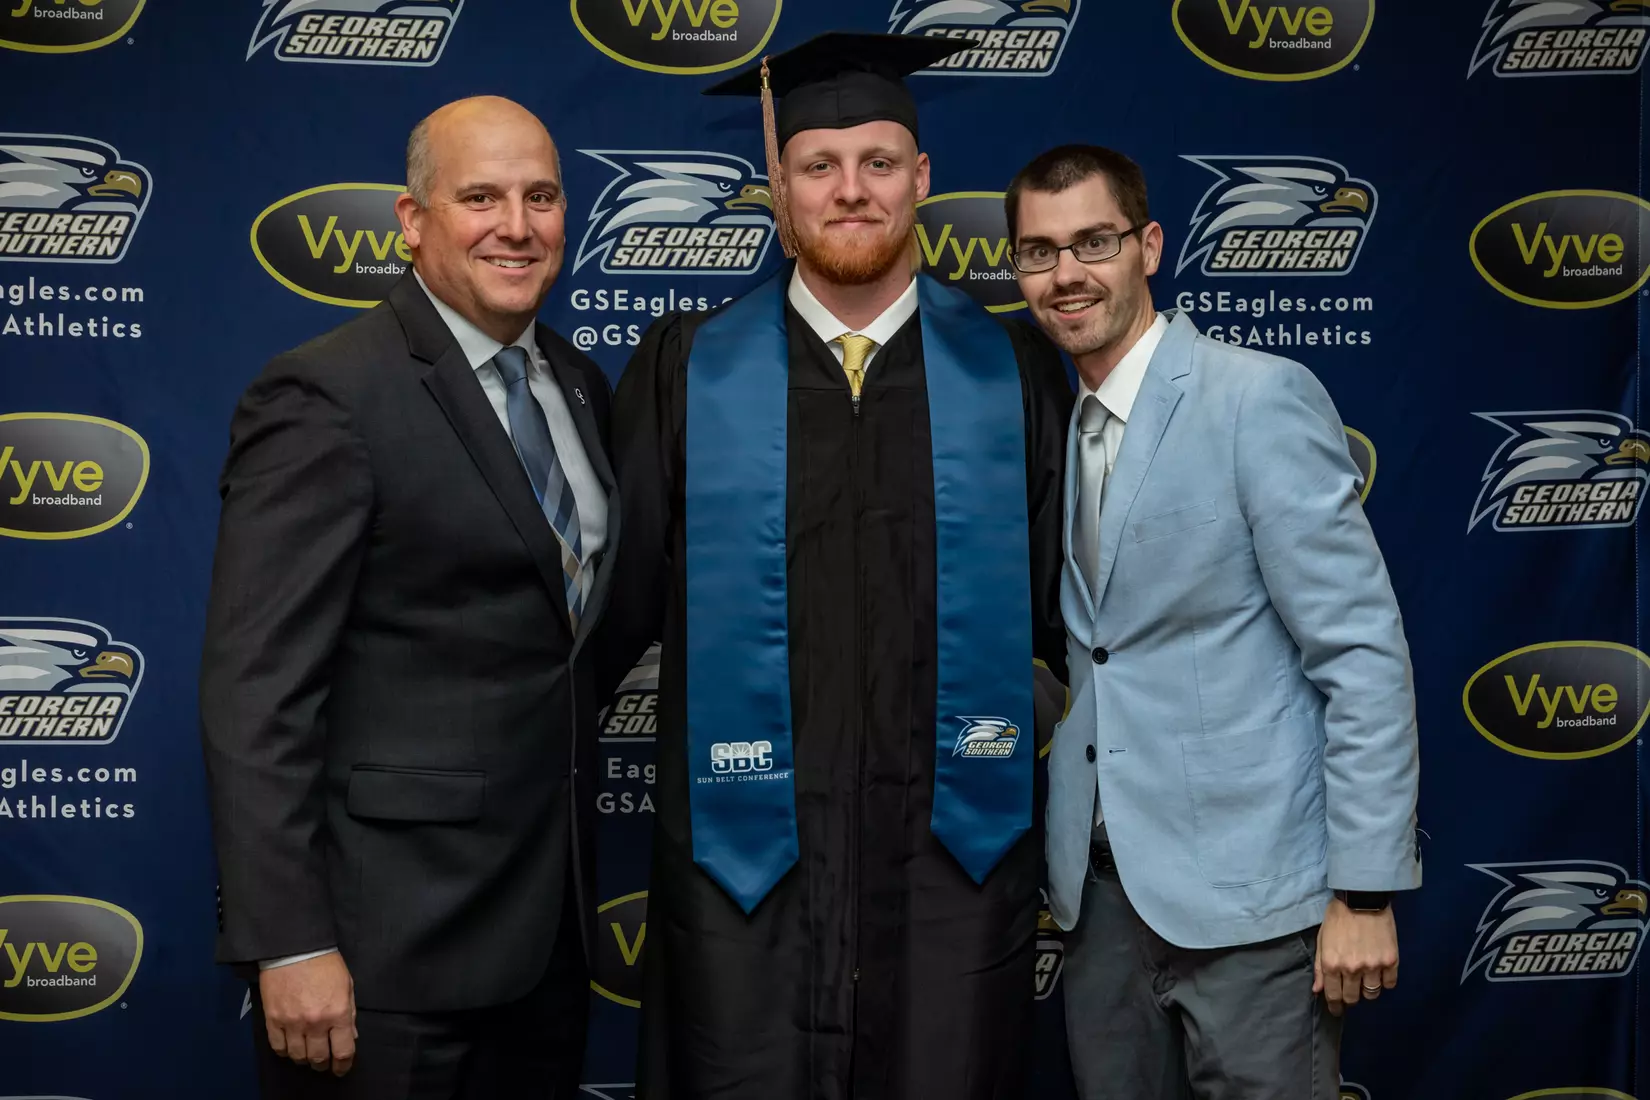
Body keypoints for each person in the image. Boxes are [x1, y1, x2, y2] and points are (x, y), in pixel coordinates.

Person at [606, 32, 1072, 1100]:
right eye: (819, 164)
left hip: (953, 861)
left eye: (877, 162)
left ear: (922, 178)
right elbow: (602, 620)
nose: (849, 190)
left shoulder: (1009, 372)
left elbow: (1073, 620)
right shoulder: (687, 371)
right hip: (745, 870)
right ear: (778, 186)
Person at [199, 96, 616, 1098]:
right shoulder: (327, 394)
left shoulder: (579, 382)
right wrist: (289, 940)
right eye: (481, 196)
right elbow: (257, 689)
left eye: (542, 195)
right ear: (412, 218)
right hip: (380, 961)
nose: (517, 225)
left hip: (546, 942)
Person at [1006, 143, 1421, 1100]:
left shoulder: (1254, 398)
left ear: (1148, 246)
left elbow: (1360, 652)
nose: (1067, 274)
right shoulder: (1057, 425)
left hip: (1257, 908)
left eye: (1094, 242)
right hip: (1098, 904)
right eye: (1038, 252)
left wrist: (1362, 891)